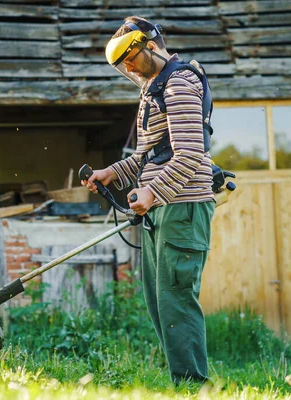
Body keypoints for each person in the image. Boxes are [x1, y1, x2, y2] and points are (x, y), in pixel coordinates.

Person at [81, 16, 215, 384]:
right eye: (121, 63)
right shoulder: (155, 89)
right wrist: (113, 173)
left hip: (182, 206)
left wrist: (154, 191)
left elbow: (190, 155)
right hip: (163, 208)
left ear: (151, 46)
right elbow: (149, 155)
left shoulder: (180, 83)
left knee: (176, 299)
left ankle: (193, 387)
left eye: (131, 58)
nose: (128, 67)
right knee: (160, 303)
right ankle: (185, 382)